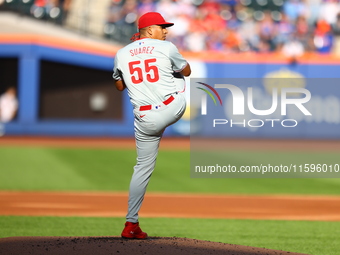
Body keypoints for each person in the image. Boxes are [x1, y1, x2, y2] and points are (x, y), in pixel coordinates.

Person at [112, 12, 191, 239]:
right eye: (162, 27)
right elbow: (186, 71)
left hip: (144, 119)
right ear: (149, 30)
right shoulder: (167, 48)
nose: (165, 31)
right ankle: (132, 225)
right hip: (172, 107)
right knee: (178, 81)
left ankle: (130, 222)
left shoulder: (121, 53)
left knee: (142, 169)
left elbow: (119, 87)